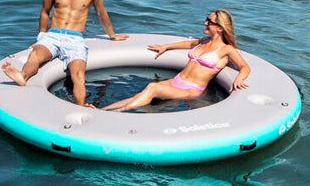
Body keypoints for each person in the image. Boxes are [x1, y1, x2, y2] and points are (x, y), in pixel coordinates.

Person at [1, 0, 129, 106]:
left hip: (75, 39)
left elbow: (101, 14)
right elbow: (45, 12)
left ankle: (81, 106)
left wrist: (112, 35)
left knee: (79, 75)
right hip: (52, 36)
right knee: (35, 55)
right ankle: (22, 76)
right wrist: (41, 37)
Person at [103, 9, 249, 112]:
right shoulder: (204, 41)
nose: (205, 23)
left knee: (152, 87)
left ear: (220, 28)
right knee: (141, 94)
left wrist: (239, 79)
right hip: (177, 81)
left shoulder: (226, 50)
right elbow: (189, 44)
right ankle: (103, 110)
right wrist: (166, 46)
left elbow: (244, 66)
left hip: (192, 89)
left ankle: (118, 113)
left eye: (209, 21)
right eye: (206, 19)